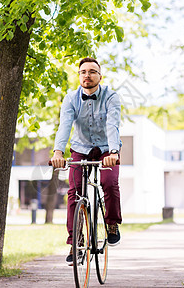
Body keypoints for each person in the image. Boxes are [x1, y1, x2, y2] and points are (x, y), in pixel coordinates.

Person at [50, 57, 122, 265]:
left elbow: (112, 125)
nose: (87, 75)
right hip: (80, 148)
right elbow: (64, 125)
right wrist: (57, 153)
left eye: (92, 71)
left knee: (109, 183)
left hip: (107, 149)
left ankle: (112, 224)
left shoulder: (111, 97)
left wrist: (114, 153)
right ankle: (75, 242)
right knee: (74, 193)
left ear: (100, 76)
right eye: (83, 72)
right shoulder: (70, 98)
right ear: (79, 75)